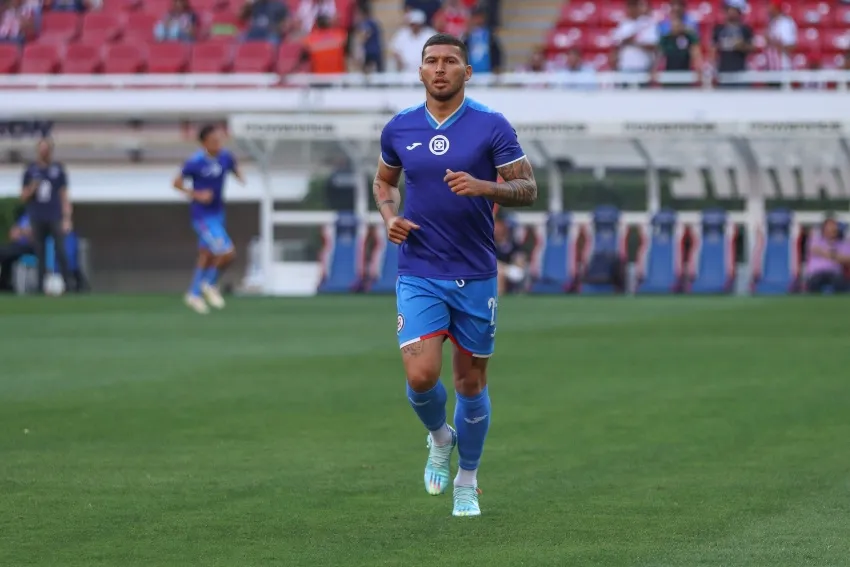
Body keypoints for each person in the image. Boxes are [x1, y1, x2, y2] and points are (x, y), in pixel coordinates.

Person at [373, 33, 537, 517]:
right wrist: (389, 217)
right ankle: (440, 438)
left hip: (475, 273)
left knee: (469, 384)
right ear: (420, 71)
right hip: (419, 269)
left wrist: (485, 186)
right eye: (431, 61)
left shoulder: (490, 125)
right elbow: (384, 181)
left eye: (450, 61)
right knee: (421, 377)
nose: (440, 68)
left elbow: (528, 187)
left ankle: (468, 478)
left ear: (467, 72)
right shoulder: (399, 128)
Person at [172, 124, 245, 314]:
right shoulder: (195, 162)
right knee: (227, 253)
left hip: (218, 213)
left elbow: (233, 166)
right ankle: (209, 284)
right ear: (204, 143)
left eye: (219, 139)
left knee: (206, 255)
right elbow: (176, 183)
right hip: (202, 216)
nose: (218, 143)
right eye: (214, 141)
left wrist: (239, 175)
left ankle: (193, 294)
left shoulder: (225, 157)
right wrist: (196, 194)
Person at [20, 137, 72, 294]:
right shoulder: (30, 170)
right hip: (37, 216)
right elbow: (23, 196)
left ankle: (68, 283)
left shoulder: (58, 169)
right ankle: (40, 285)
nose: (44, 151)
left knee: (61, 249)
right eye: (41, 148)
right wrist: (32, 187)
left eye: (46, 148)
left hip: (54, 215)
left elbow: (63, 195)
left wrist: (67, 218)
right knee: (39, 252)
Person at [804, 215, 850, 293]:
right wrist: (836, 256)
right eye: (829, 227)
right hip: (816, 273)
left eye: (834, 227)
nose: (832, 229)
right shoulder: (816, 240)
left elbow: (847, 259)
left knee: (840, 283)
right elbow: (814, 249)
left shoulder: (843, 243)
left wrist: (829, 254)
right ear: (824, 228)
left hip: (834, 273)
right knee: (813, 283)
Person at [0, 212, 34, 293]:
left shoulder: (39, 218)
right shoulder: (24, 217)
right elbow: (12, 234)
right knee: (4, 254)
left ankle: (4, 284)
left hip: (29, 247)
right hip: (16, 245)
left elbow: (34, 236)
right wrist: (23, 232)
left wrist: (21, 231)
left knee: (4, 254)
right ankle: (4, 284)